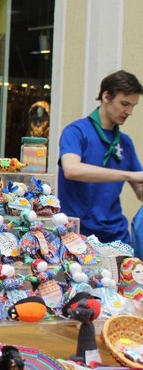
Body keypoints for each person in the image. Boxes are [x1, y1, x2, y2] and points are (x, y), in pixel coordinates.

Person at [58, 69, 143, 244]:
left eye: (133, 106)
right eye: (125, 103)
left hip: (117, 236)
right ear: (106, 96)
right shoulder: (76, 131)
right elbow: (71, 169)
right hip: (77, 236)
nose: (129, 112)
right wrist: (128, 175)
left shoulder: (125, 142)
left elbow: (140, 191)